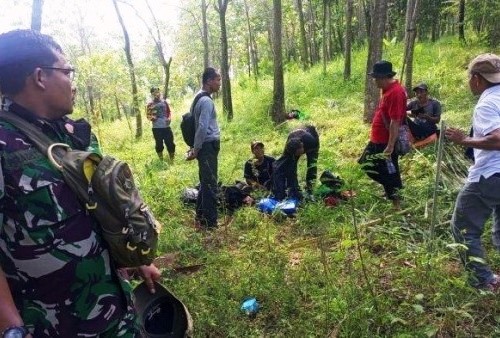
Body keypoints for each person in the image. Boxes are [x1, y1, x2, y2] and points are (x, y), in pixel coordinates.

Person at [0, 29, 160, 338]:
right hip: (54, 323)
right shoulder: (5, 146)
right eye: (67, 71)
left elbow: (100, 208)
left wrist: (136, 261)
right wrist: (10, 326)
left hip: (115, 306)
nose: (72, 81)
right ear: (40, 77)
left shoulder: (74, 134)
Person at [445, 53, 500, 291]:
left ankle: (484, 281)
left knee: (463, 228)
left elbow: (497, 139)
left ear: (477, 79)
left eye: (470, 78)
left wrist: (464, 139)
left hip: (490, 175)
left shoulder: (487, 103)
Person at [359, 60, 407, 209]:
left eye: (376, 78)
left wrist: (390, 145)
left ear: (385, 77)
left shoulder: (396, 93)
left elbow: (395, 121)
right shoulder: (387, 90)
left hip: (385, 141)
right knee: (367, 164)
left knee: (390, 170)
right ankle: (391, 190)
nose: (374, 81)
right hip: (377, 139)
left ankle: (396, 201)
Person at [186, 67, 222, 229]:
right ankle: (210, 223)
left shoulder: (198, 97)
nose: (219, 83)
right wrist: (196, 149)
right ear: (209, 81)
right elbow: (201, 127)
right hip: (207, 147)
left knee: (205, 182)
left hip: (205, 146)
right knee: (210, 184)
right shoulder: (206, 101)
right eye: (217, 80)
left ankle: (200, 217)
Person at [286, 125, 320, 196]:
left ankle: (310, 187)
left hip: (312, 137)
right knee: (291, 164)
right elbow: (289, 165)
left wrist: (310, 185)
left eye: (299, 153)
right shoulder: (289, 145)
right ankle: (294, 187)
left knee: (312, 165)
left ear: (302, 146)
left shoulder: (311, 141)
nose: (299, 155)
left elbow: (312, 165)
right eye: (296, 154)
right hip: (299, 137)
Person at [146, 86, 175, 162]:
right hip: (156, 128)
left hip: (166, 127)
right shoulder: (150, 104)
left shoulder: (164, 102)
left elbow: (169, 112)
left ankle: (172, 160)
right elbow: (148, 116)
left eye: (157, 92)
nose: (157, 94)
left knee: (170, 143)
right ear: (152, 94)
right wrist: (153, 118)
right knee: (159, 144)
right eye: (154, 92)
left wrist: (169, 118)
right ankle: (161, 160)